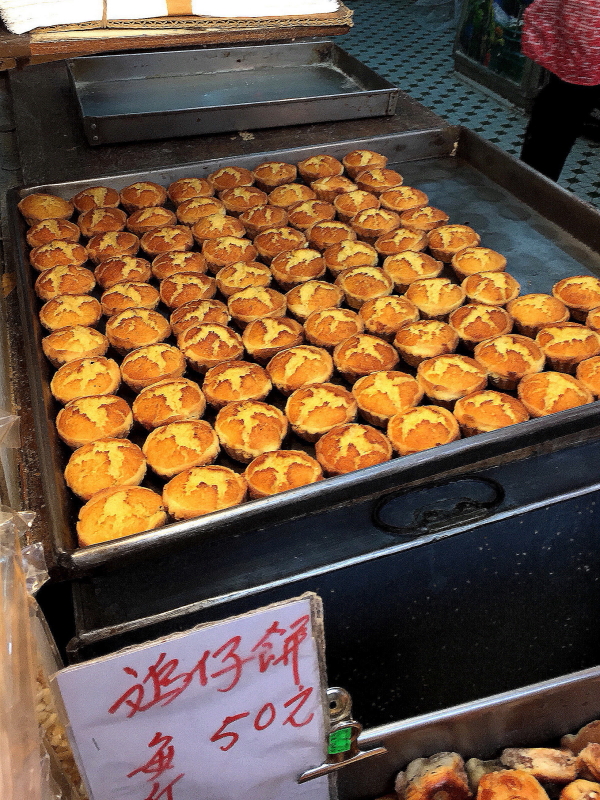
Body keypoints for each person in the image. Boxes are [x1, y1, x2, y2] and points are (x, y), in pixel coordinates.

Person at [520, 0, 600, 181]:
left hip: (583, 50)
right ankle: (532, 191)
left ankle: (531, 192)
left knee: (553, 129)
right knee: (556, 124)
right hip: (581, 48)